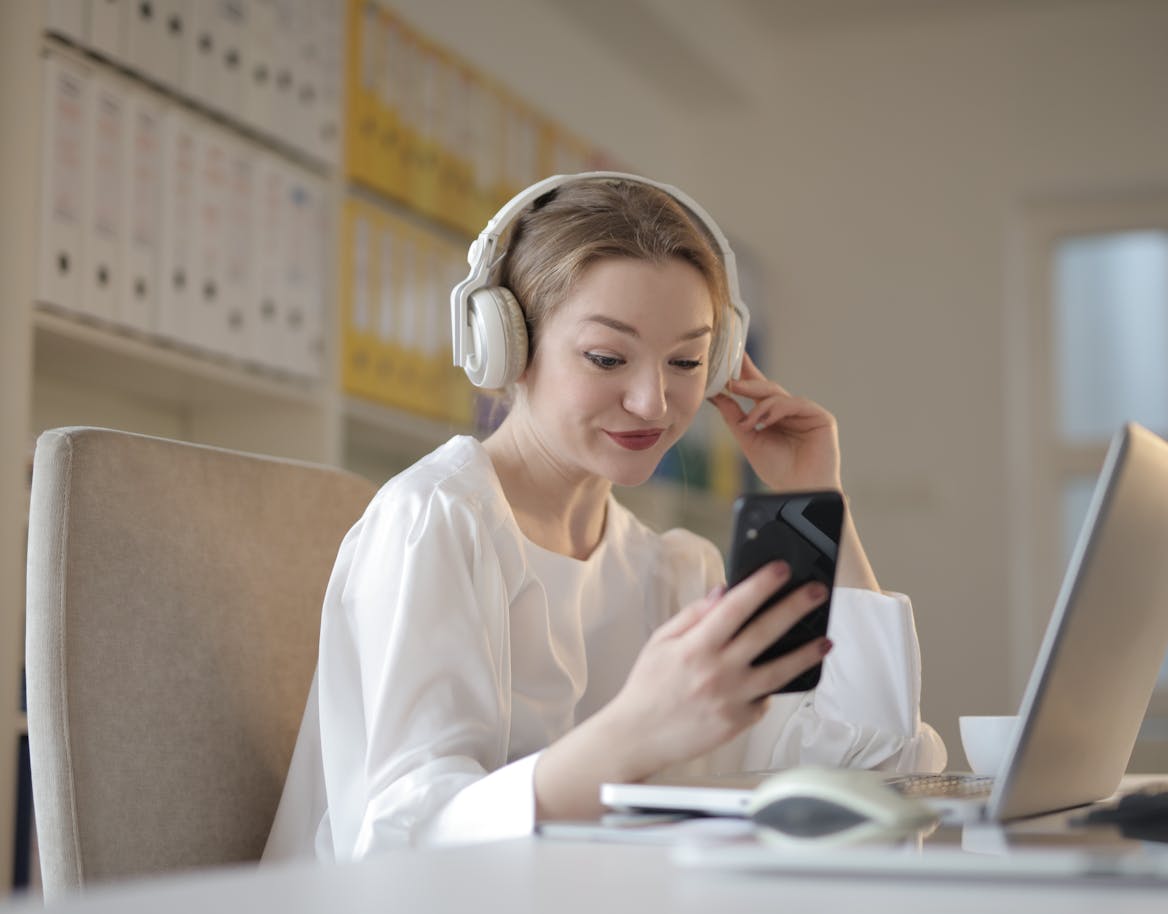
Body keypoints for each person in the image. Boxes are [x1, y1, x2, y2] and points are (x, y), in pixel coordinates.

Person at [263, 174, 946, 863]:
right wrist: (637, 729)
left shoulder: (675, 570)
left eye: (685, 361)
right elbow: (402, 845)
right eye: (607, 358)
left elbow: (877, 772)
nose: (654, 402)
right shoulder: (434, 523)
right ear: (507, 343)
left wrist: (819, 498)